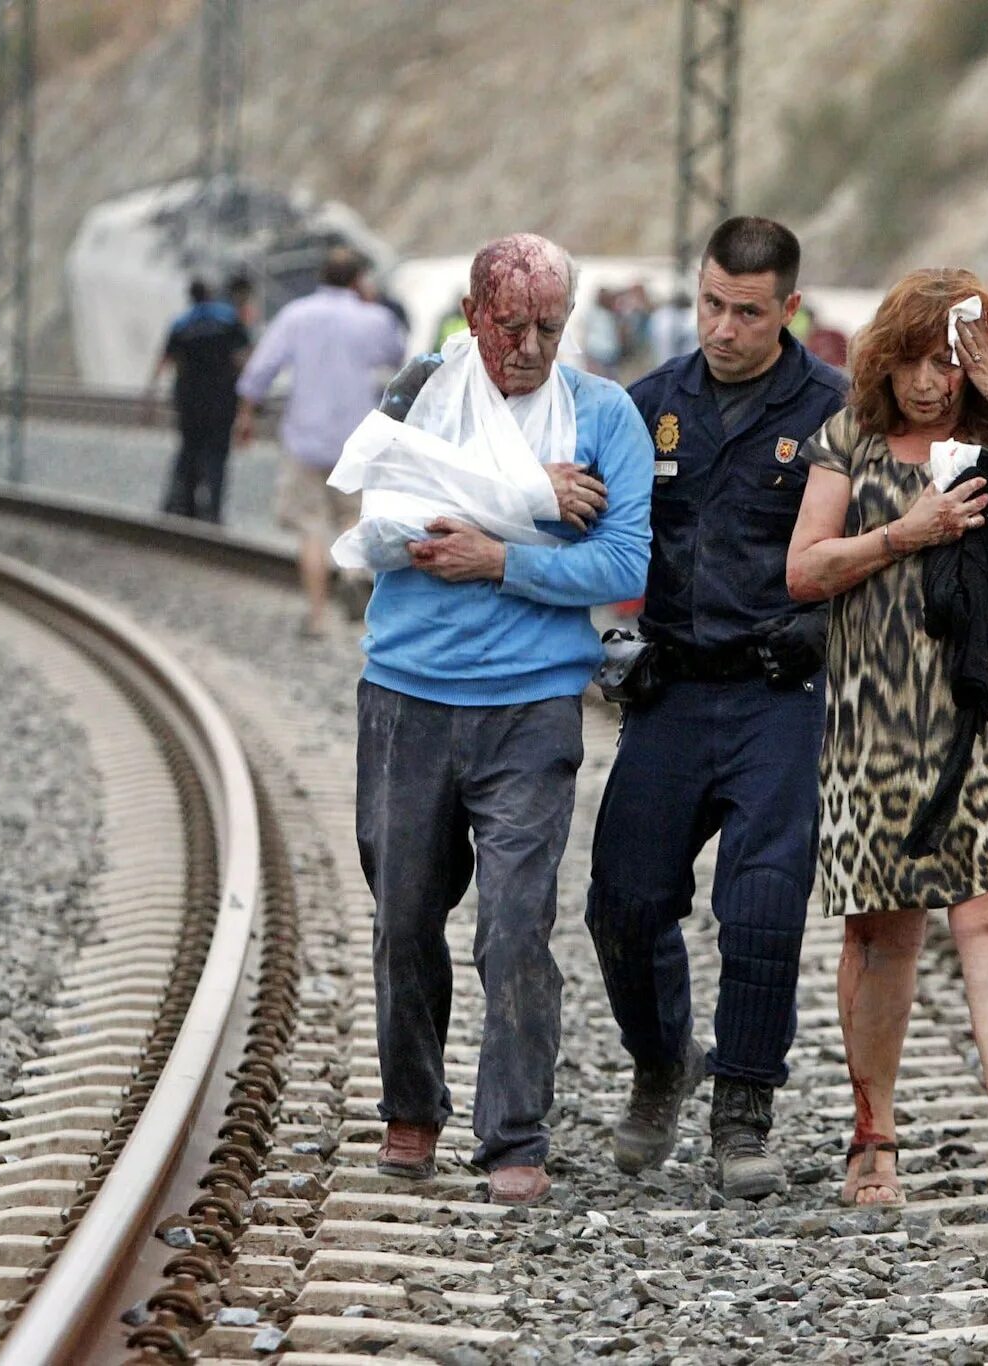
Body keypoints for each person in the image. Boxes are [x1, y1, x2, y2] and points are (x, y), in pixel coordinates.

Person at [787, 269, 988, 1209]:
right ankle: (873, 1136)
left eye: (948, 361)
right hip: (876, 717)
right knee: (884, 929)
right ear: (885, 358)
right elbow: (804, 571)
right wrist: (904, 533)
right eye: (915, 360)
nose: (931, 381)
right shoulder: (848, 438)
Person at [356, 233, 651, 1207]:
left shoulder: (602, 415)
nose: (528, 347)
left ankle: (513, 1133)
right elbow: (378, 532)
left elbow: (623, 567)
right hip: (408, 696)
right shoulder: (419, 392)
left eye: (549, 329)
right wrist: (527, 500)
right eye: (511, 326)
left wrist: (500, 555)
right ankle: (411, 1107)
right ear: (474, 315)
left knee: (516, 925)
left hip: (530, 706)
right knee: (404, 918)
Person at [584, 217, 848, 1199]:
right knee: (621, 900)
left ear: (786, 308)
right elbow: (589, 524)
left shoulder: (832, 411)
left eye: (745, 310)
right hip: (674, 687)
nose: (722, 328)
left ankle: (742, 1111)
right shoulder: (647, 404)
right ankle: (662, 1063)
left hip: (779, 692)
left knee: (763, 903)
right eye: (708, 304)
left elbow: (873, 554)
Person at [236, 248, 407, 634]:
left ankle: (316, 616)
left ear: (321, 277)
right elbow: (398, 356)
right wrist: (371, 305)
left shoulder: (297, 315)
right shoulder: (374, 318)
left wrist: (245, 414)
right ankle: (353, 579)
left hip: (304, 439)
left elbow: (261, 368)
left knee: (310, 525)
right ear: (357, 280)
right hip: (357, 440)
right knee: (351, 517)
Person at [143, 279, 249, 522]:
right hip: (222, 399)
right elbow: (243, 357)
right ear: (210, 294)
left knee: (190, 449)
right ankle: (214, 508)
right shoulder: (228, 320)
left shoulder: (182, 323)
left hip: (189, 400)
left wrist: (149, 395)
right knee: (218, 454)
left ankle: (186, 505)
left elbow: (165, 360)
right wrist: (249, 398)